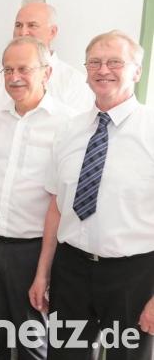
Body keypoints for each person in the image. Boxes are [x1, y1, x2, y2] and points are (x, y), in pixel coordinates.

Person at [29, 30, 154, 359]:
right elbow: (56, 206)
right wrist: (43, 273)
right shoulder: (70, 130)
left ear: (137, 71)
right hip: (71, 269)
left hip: (134, 276)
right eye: (95, 62)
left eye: (115, 62)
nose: (103, 70)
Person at [0, 37, 72, 359]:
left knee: (32, 341)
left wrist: (44, 269)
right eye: (8, 70)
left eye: (23, 69)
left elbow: (62, 199)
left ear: (46, 73)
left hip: (32, 250)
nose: (14, 77)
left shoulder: (67, 124)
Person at [0, 3, 94, 122]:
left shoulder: (74, 82)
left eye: (32, 25)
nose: (23, 32)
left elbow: (79, 134)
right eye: (18, 25)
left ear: (52, 32)